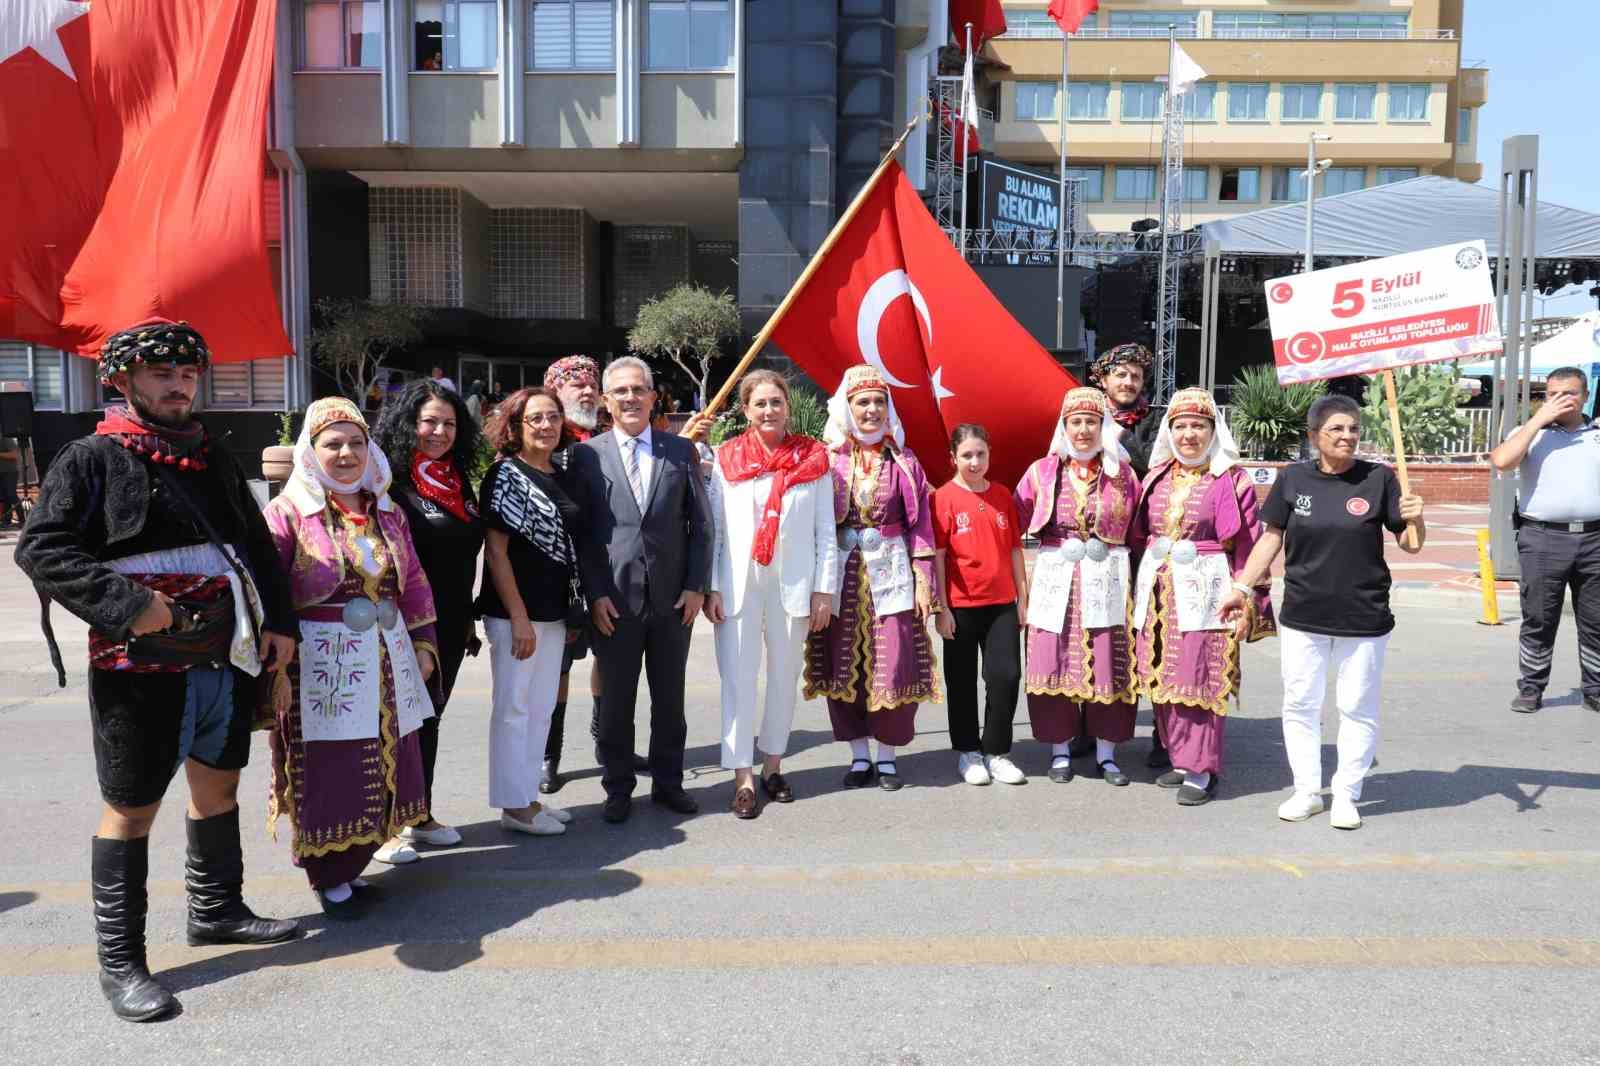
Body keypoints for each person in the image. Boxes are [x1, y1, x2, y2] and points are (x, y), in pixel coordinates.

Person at [16, 320, 299, 1022]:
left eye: (188, 373)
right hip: (136, 663)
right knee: (133, 806)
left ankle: (217, 909)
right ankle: (122, 962)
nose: (179, 385)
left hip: (226, 652)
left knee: (220, 784)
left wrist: (281, 625)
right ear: (123, 380)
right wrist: (131, 603)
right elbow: (43, 549)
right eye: (161, 373)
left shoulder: (214, 456)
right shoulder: (88, 458)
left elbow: (255, 545)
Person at [262, 397, 439, 914]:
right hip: (322, 666)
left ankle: (355, 864)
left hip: (387, 659)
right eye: (332, 444)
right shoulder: (287, 513)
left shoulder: (386, 511)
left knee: (386, 757)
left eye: (355, 443)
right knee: (332, 768)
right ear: (310, 452)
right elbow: (267, 590)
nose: (345, 453)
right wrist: (278, 667)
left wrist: (424, 643)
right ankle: (328, 875)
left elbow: (416, 583)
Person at [1222, 394, 1426, 831]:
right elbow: (1271, 539)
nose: (1347, 436)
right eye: (1336, 428)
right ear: (1314, 436)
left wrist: (1417, 518)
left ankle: (1348, 795)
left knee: (1357, 706)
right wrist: (1242, 586)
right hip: (1303, 612)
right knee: (1300, 703)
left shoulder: (1380, 478)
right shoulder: (1293, 479)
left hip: (1364, 615)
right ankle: (1307, 791)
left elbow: (1410, 544)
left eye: (1353, 428)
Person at [568, 356, 712, 824]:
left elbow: (702, 526)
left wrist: (696, 587)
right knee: (616, 703)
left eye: (639, 390)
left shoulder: (679, 450)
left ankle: (669, 784)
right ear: (607, 402)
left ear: (654, 398)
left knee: (670, 699)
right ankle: (617, 787)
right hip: (614, 601)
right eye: (621, 392)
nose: (630, 398)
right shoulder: (587, 455)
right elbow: (583, 534)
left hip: (674, 600)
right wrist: (595, 594)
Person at [1129, 389, 1274, 807]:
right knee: (1161, 673)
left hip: (1208, 589)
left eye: (1198, 426)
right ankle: (1180, 755)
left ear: (1213, 431)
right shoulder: (1156, 476)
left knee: (1199, 678)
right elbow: (1140, 536)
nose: (1189, 434)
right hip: (1156, 591)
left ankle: (1202, 768)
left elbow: (1249, 542)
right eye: (1181, 426)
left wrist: (1247, 596)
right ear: (1169, 432)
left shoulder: (1231, 479)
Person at [704, 370, 837, 818]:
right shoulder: (726, 459)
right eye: (759, 403)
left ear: (788, 407)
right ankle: (742, 776)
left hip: (793, 584)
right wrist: (713, 587)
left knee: (783, 678)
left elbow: (825, 532)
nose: (768, 411)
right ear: (745, 410)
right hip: (740, 585)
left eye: (775, 402)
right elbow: (716, 531)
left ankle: (773, 766)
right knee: (738, 681)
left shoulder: (814, 458)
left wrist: (825, 591)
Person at [803, 364, 942, 790]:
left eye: (879, 402)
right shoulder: (825, 461)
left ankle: (887, 756)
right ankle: (859, 755)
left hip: (892, 571)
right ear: (848, 407)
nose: (872, 409)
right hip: (841, 574)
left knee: (893, 662)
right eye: (863, 402)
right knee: (842, 662)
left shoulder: (904, 461)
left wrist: (924, 580)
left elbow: (921, 526)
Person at [371, 380, 485, 859]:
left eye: (449, 423)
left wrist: (465, 621)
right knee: (395, 722)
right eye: (429, 422)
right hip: (403, 624)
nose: (439, 431)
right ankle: (386, 825)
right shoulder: (388, 485)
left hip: (451, 620)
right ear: (407, 425)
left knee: (430, 719)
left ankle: (419, 812)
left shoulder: (457, 480)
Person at [1015, 387, 1140, 786]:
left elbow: (1140, 530)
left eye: (1092, 421)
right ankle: (1059, 751)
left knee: (1108, 658)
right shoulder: (1041, 471)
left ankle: (1106, 754)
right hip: (1057, 576)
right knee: (1052, 658)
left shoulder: (1124, 474)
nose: (1083, 430)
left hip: (1107, 576)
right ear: (1064, 426)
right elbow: (1012, 518)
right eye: (1076, 422)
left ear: (1103, 426)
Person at [478, 387, 584, 835]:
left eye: (553, 417)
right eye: (535, 418)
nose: (546, 425)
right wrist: (518, 617)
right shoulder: (505, 475)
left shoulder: (561, 472)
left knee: (541, 709)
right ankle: (512, 806)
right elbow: (497, 553)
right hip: (515, 617)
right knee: (513, 708)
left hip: (555, 612)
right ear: (515, 427)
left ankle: (530, 799)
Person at [538, 354, 646, 792]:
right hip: (558, 579)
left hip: (605, 576)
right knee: (558, 669)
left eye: (588, 385)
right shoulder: (542, 441)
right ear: (554, 392)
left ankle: (608, 744)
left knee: (609, 659)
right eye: (573, 386)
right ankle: (550, 754)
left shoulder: (607, 442)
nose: (583, 392)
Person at [1487, 367, 1600, 714]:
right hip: (1543, 538)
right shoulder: (1529, 433)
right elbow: (1503, 462)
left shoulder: (1596, 434)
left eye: (1570, 393)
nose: (1562, 400)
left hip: (1595, 537)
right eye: (1553, 394)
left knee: (1596, 619)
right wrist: (1538, 421)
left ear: (1585, 396)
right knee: (1539, 617)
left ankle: (1595, 688)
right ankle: (1531, 687)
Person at [1087, 342, 1170, 769]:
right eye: (1120, 374)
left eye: (1136, 376)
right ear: (1102, 379)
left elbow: (1156, 467)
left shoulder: (1157, 422)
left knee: (1154, 639)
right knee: (1092, 635)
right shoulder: (1081, 417)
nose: (1128, 382)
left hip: (1145, 552)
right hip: (1095, 554)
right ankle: (1088, 726)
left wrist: (1116, 441)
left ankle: (1165, 733)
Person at [933, 424, 1028, 786]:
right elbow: (939, 557)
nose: (974, 462)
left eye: (980, 454)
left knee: (1005, 676)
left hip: (1002, 603)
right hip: (959, 605)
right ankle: (968, 752)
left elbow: (1016, 550)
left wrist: (1023, 599)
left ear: (989, 454)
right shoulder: (942, 498)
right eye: (967, 456)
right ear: (953, 458)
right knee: (960, 681)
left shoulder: (1003, 495)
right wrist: (941, 608)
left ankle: (996, 752)